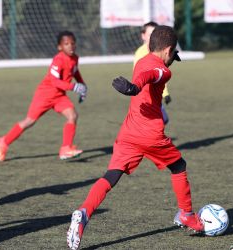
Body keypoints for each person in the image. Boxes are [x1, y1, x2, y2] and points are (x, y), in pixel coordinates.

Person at [66, 26, 203, 250]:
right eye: (173, 57)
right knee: (179, 166)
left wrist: (134, 86)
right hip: (150, 135)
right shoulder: (164, 71)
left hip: (129, 132)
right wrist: (134, 88)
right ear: (168, 50)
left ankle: (83, 213)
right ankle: (186, 215)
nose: (172, 61)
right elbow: (153, 75)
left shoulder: (141, 60)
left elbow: (143, 74)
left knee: (111, 176)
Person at [0, 30, 87, 161]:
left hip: (59, 95)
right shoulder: (58, 60)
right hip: (45, 94)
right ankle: (3, 141)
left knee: (72, 115)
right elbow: (55, 81)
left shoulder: (75, 58)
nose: (70, 46)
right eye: (66, 44)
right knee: (29, 121)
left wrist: (82, 85)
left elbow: (75, 71)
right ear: (60, 47)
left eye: (72, 43)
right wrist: (74, 87)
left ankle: (65, 149)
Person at [134, 21, 172, 125]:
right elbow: (138, 76)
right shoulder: (140, 54)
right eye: (150, 34)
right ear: (143, 36)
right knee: (158, 121)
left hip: (156, 94)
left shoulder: (159, 52)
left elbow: (161, 74)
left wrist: (165, 93)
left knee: (163, 120)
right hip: (145, 95)